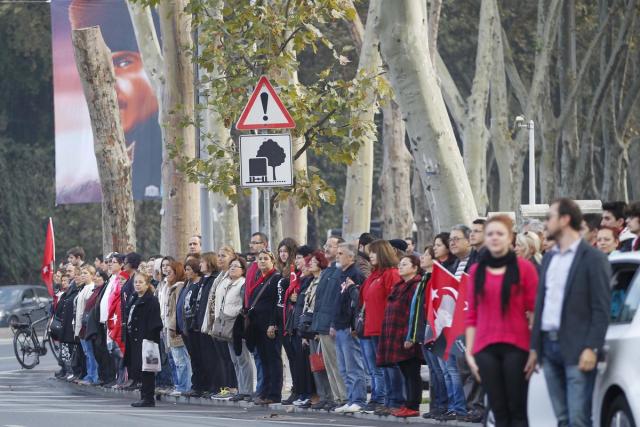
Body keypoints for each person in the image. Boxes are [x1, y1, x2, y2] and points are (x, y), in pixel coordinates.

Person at [530, 198, 612, 427]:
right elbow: (541, 304)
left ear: (565, 220)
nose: (546, 224)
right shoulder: (549, 258)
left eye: (550, 218)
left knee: (578, 418)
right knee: (562, 418)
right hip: (548, 347)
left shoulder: (593, 258)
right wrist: (535, 347)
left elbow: (601, 307)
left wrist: (592, 347)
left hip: (577, 347)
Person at [465, 215, 539, 427]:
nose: (495, 238)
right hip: (485, 347)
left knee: (517, 408)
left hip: (518, 346)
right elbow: (472, 316)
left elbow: (534, 311)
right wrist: (470, 352)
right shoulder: (476, 271)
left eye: (500, 234)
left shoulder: (524, 268)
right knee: (498, 410)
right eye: (490, 234)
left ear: (510, 238)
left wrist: (534, 349)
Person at [359, 239, 403, 416]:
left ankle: (396, 401)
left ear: (383, 253)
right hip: (373, 328)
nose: (370, 255)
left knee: (391, 367)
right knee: (383, 368)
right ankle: (387, 400)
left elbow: (395, 302)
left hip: (387, 328)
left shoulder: (391, 274)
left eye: (374, 252)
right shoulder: (374, 275)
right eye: (370, 252)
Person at [378, 255, 423, 418]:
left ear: (415, 268)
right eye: (400, 264)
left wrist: (410, 336)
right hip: (396, 334)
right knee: (405, 370)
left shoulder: (416, 286)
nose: (400, 267)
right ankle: (407, 403)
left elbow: (414, 312)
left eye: (405, 264)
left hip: (408, 335)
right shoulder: (399, 285)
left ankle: (413, 405)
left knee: (412, 371)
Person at [332, 243, 367, 414]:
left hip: (349, 326)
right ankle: (350, 398)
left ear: (351, 257)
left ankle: (359, 399)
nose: (337, 256)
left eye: (341, 253)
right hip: (339, 325)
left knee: (354, 365)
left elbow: (358, 303)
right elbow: (337, 301)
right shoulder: (340, 274)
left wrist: (355, 325)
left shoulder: (356, 274)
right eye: (337, 253)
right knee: (343, 367)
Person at [245, 250, 283, 405]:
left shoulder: (276, 278)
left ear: (272, 261)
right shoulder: (258, 278)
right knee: (263, 360)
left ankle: (274, 394)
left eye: (265, 259)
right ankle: (264, 391)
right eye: (259, 259)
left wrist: (273, 324)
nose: (261, 261)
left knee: (273, 360)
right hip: (257, 327)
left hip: (270, 326)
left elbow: (276, 303)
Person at [214, 257, 254, 402]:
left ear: (243, 270)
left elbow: (244, 305)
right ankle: (241, 389)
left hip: (237, 325)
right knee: (235, 360)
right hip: (225, 325)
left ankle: (247, 390)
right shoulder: (225, 283)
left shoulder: (242, 284)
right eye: (231, 266)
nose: (232, 268)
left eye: (236, 266)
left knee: (243, 359)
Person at [124, 272, 163, 407]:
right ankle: (143, 396)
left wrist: (149, 339)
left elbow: (155, 322)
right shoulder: (134, 298)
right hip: (134, 339)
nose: (137, 285)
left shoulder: (151, 300)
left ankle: (148, 398)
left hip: (146, 340)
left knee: (147, 369)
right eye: (135, 282)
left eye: (140, 282)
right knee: (140, 368)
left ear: (147, 285)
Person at [301, 251, 334, 410]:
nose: (310, 263)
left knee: (325, 364)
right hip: (309, 326)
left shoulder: (323, 280)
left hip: (319, 326)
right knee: (316, 364)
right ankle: (322, 396)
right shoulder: (311, 281)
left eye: (314, 261)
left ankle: (330, 397)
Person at [275, 238, 300, 405]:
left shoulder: (294, 270)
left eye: (286, 251)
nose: (283, 254)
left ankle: (298, 389)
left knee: (295, 357)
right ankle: (296, 389)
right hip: (281, 318)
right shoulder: (281, 270)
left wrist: (294, 297)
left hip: (291, 319)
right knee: (290, 357)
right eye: (281, 251)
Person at [165, 261, 192, 396]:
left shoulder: (179, 287)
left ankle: (184, 386)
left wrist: (173, 326)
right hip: (169, 327)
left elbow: (177, 309)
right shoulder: (169, 287)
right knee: (175, 359)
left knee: (181, 360)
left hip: (175, 329)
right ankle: (179, 384)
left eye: (170, 272)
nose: (167, 274)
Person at [181, 257, 206, 397]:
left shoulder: (199, 285)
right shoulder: (188, 285)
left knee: (199, 357)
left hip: (196, 326)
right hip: (188, 327)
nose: (186, 272)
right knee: (193, 357)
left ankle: (200, 386)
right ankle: (195, 384)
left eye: (189, 269)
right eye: (185, 269)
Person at [76, 265, 98, 385]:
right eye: (82, 273)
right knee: (86, 352)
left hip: (86, 325)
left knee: (90, 352)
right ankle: (89, 375)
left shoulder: (91, 288)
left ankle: (93, 376)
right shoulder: (83, 288)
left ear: (92, 275)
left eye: (86, 273)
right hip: (81, 325)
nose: (83, 275)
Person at [55, 272, 80, 380]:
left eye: (66, 280)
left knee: (71, 350)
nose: (64, 282)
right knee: (65, 350)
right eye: (62, 280)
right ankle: (66, 369)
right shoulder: (64, 293)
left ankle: (72, 370)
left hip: (71, 326)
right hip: (64, 324)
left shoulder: (74, 291)